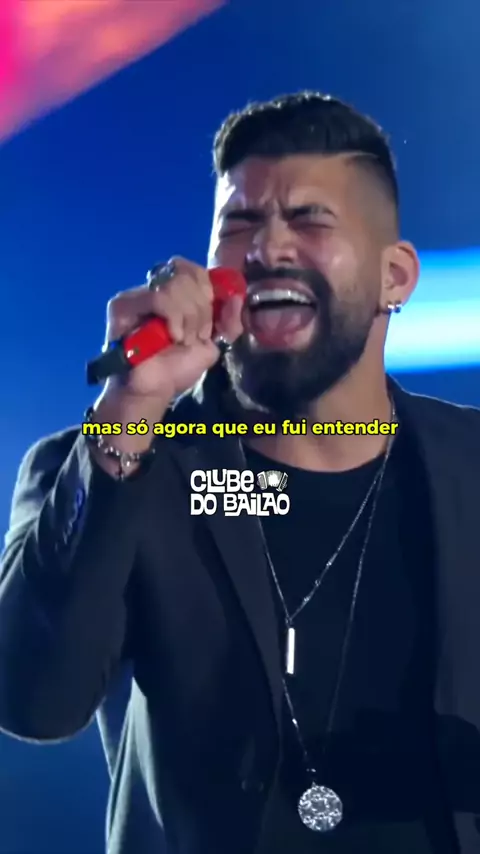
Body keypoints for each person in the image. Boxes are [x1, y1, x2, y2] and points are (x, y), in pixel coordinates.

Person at [0, 91, 478, 854]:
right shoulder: (115, 462)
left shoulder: (467, 467)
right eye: (240, 224)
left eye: (310, 220)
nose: (267, 248)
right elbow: (33, 701)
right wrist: (133, 406)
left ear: (395, 277)